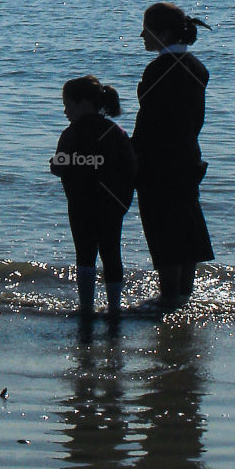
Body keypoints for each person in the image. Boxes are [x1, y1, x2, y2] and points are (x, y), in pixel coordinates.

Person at [132, 2, 214, 309]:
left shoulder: (159, 69)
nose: (142, 35)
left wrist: (132, 157)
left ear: (164, 33)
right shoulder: (195, 67)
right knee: (186, 225)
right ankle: (182, 295)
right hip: (188, 155)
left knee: (162, 228)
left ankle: (168, 297)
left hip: (159, 161)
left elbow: (149, 120)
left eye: (147, 29)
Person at [50, 76, 137, 318]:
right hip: (114, 203)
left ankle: (86, 307)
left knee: (85, 255)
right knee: (112, 253)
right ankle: (115, 307)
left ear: (83, 104)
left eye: (68, 105)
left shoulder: (72, 133)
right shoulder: (117, 132)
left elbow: (59, 166)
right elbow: (131, 166)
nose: (65, 111)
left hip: (81, 203)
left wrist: (58, 163)